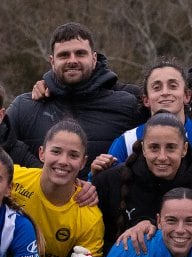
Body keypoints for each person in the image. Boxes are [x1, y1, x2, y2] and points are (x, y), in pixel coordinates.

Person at [7, 22, 145, 174]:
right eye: (64, 55)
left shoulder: (128, 105)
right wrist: (44, 176)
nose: (72, 60)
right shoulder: (25, 107)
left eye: (80, 53)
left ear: (94, 59)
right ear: (52, 62)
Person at [92, 112, 192, 249]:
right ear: (143, 148)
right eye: (154, 148)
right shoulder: (109, 182)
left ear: (184, 149)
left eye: (171, 147)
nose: (162, 156)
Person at [3, 120, 106, 257]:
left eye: (73, 155)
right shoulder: (13, 177)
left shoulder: (89, 217)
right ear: (42, 153)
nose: (63, 161)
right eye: (56, 151)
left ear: (83, 162)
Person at [105, 62, 192, 185]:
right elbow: (106, 187)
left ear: (187, 95)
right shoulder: (127, 141)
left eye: (173, 86)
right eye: (157, 88)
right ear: (146, 100)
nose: (165, 92)